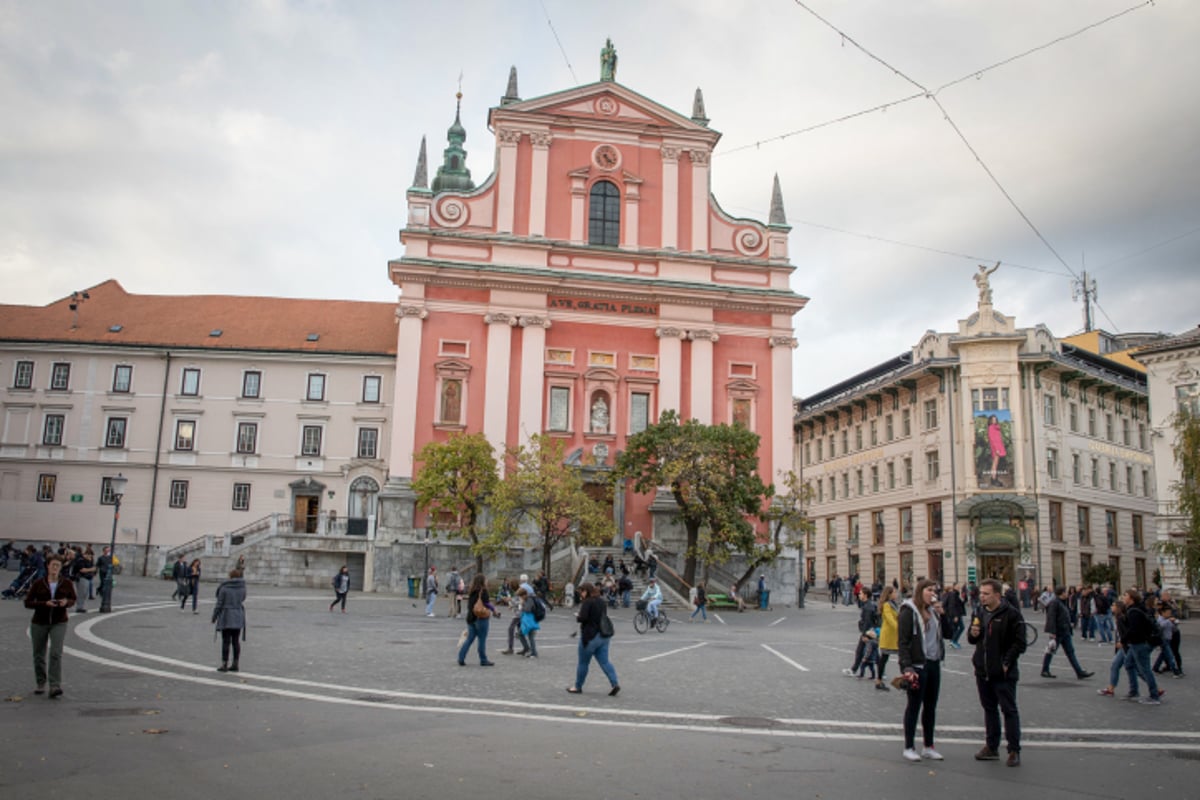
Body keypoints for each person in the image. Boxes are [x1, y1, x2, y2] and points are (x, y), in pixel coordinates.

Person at [968, 578, 1025, 767]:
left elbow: (1020, 643)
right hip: (983, 670)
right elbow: (972, 639)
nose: (981, 597)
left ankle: (1014, 750)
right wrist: (972, 633)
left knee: (1009, 710)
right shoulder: (979, 612)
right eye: (981, 593)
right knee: (989, 709)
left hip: (1003, 672)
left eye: (986, 594)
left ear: (997, 595)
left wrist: (1007, 662)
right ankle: (991, 746)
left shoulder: (1011, 614)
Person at [897, 579, 952, 763]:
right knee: (914, 706)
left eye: (935, 590)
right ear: (920, 591)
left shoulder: (933, 612)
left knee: (930, 706)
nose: (933, 594)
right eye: (929, 590)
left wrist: (943, 615)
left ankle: (929, 746)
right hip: (918, 664)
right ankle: (909, 746)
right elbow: (903, 642)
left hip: (934, 662)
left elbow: (949, 634)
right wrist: (907, 666)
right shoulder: (908, 611)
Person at [25, 554, 76, 697]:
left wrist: (66, 602)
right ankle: (41, 682)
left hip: (59, 621)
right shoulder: (38, 583)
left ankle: (55, 685)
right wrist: (44, 604)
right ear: (47, 566)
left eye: (58, 566)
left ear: (61, 568)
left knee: (55, 653)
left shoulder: (66, 583)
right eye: (53, 565)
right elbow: (28, 602)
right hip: (39, 622)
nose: (55, 568)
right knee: (39, 654)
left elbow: (73, 598)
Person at [567, 582, 619, 696]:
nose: (581, 594)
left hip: (590, 636)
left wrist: (578, 617)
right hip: (603, 636)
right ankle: (615, 683)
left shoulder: (587, 602)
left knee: (583, 663)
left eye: (581, 592)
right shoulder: (601, 601)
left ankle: (577, 686)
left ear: (586, 591)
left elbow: (583, 618)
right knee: (605, 662)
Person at [1040, 586, 1093, 679]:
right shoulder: (1055, 603)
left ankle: (1079, 672)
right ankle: (1045, 670)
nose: (1067, 594)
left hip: (1065, 631)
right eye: (1065, 592)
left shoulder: (1062, 602)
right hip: (1058, 631)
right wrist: (1052, 632)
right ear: (1062, 593)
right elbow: (1051, 617)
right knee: (1051, 650)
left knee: (1070, 652)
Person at [1121, 588, 1164, 704]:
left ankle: (1154, 695)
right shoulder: (1138, 609)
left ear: (1131, 598)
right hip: (1138, 643)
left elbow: (1134, 629)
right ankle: (1134, 691)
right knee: (1129, 664)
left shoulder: (1134, 612)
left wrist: (1123, 639)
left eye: (1125, 595)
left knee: (1144, 669)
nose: (1123, 597)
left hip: (1140, 643)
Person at [457, 573, 496, 667]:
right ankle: (483, 659)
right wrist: (494, 609)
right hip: (480, 617)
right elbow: (486, 603)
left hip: (471, 617)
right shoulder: (483, 591)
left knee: (469, 639)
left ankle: (461, 657)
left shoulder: (472, 591)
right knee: (482, 640)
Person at [212, 567, 247, 672]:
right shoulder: (242, 588)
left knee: (226, 641)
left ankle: (224, 663)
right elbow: (243, 598)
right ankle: (235, 663)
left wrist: (214, 616)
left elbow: (219, 603)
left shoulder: (224, 588)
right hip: (238, 614)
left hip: (227, 615)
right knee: (236, 641)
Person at [876, 585, 899, 691]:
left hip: (895, 636)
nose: (896, 594)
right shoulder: (886, 605)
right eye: (894, 592)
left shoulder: (894, 604)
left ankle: (904, 680)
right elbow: (890, 620)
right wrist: (901, 628)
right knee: (884, 658)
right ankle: (879, 680)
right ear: (889, 594)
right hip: (889, 636)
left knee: (903, 658)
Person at [516, 587, 540, 658]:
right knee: (521, 634)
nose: (521, 598)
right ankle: (527, 648)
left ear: (524, 595)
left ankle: (534, 652)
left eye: (521, 596)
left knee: (530, 636)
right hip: (527, 620)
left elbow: (528, 609)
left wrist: (522, 604)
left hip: (530, 620)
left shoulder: (529, 599)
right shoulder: (528, 599)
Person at [70, 548, 95, 613]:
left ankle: (81, 606)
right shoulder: (81, 560)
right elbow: (82, 570)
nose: (90, 557)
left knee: (85, 593)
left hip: (87, 578)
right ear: (85, 554)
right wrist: (91, 569)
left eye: (91, 555)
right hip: (81, 578)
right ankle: (79, 607)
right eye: (89, 555)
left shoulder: (89, 561)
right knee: (81, 593)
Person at [986, 414, 1007, 487]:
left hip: (999, 446)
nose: (994, 421)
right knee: (994, 464)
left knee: (996, 464)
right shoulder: (991, 428)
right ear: (991, 421)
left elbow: (998, 438)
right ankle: (993, 479)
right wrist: (996, 449)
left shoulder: (996, 428)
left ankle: (995, 478)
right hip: (996, 448)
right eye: (993, 419)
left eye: (995, 419)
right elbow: (992, 439)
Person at [943, 582, 965, 649]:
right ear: (954, 587)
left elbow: (960, 603)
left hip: (955, 614)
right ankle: (953, 641)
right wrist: (955, 615)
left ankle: (953, 642)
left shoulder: (956, 594)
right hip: (956, 614)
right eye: (957, 586)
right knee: (961, 627)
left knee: (955, 628)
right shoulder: (953, 594)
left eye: (959, 586)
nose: (959, 587)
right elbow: (952, 606)